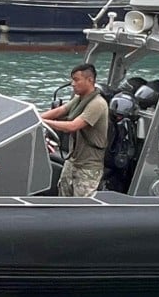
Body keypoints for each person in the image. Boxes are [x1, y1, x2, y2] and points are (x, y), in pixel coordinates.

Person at [41, 63, 109, 197]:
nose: (72, 84)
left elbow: (73, 126)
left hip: (88, 167)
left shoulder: (97, 104)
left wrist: (42, 122)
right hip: (73, 161)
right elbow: (61, 111)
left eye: (76, 80)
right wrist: (34, 116)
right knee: (63, 198)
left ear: (90, 80)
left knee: (81, 207)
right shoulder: (79, 99)